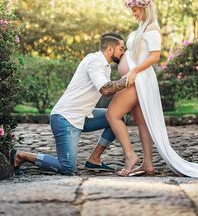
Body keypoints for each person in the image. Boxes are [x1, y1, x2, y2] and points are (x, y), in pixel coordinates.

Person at [106, 0, 198, 178]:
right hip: (135, 80)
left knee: (112, 114)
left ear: (144, 8)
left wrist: (134, 70)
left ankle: (131, 157)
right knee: (142, 122)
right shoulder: (141, 27)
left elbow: (154, 56)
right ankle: (148, 164)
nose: (133, 14)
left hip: (138, 81)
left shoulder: (152, 28)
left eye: (135, 10)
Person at [10, 32, 130, 176]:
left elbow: (109, 89)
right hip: (65, 119)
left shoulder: (105, 66)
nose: (123, 52)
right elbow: (105, 89)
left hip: (83, 116)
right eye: (121, 48)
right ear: (110, 49)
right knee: (67, 167)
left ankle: (94, 159)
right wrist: (129, 79)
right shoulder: (94, 61)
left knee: (117, 118)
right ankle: (21, 155)